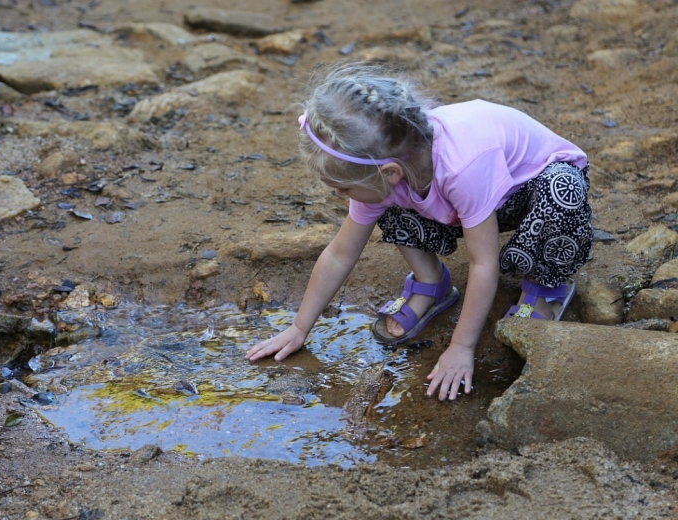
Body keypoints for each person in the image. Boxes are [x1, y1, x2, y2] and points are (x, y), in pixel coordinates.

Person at [245, 62, 592, 401]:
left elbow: (482, 263)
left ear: (390, 171)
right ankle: (431, 283)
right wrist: (299, 328)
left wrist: (461, 347)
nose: (339, 196)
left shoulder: (461, 167)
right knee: (388, 204)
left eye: (343, 189)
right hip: (474, 199)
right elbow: (340, 252)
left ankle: (545, 286)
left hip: (527, 190)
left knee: (563, 188)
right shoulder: (388, 168)